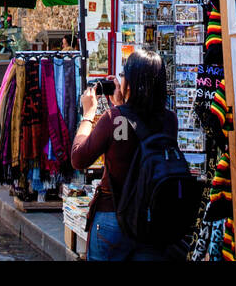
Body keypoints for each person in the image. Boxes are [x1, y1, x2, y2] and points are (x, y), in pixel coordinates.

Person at [71, 47, 178, 261]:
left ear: (130, 82)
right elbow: (139, 134)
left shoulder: (113, 118)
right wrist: (122, 105)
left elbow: (78, 157)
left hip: (113, 216)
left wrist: (88, 115)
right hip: (151, 218)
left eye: (123, 75)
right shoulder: (169, 120)